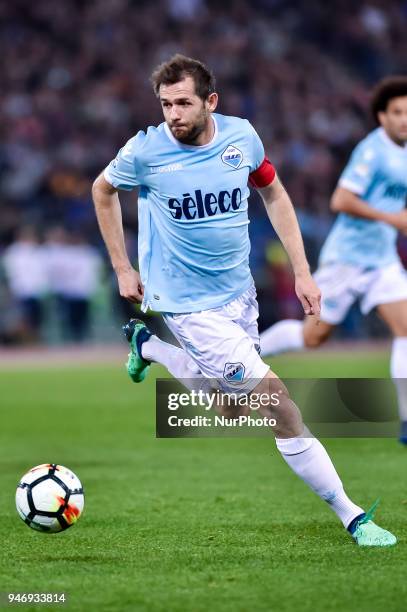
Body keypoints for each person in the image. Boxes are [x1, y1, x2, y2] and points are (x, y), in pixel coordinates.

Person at [92, 54, 396, 546]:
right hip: (186, 302)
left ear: (211, 101)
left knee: (228, 410)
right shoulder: (144, 151)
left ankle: (148, 346)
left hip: (238, 293)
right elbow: (102, 190)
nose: (173, 114)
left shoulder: (242, 138)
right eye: (166, 104)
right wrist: (123, 266)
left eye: (183, 103)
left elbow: (274, 194)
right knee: (278, 403)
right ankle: (353, 516)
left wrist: (303, 272)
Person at [260, 76, 407, 444]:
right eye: (397, 112)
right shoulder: (372, 151)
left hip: (382, 261)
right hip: (346, 260)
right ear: (381, 117)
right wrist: (393, 219)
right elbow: (340, 201)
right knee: (314, 338)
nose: (405, 119)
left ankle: (406, 420)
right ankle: (249, 352)